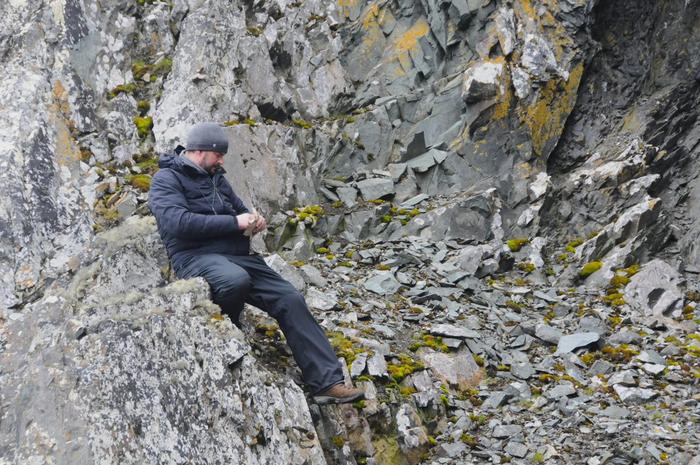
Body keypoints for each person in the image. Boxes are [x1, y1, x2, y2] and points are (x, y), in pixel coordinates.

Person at [148, 122, 364, 404]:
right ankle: (228, 331)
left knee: (290, 297)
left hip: (237, 256)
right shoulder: (166, 179)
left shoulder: (217, 178)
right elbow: (177, 223)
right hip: (194, 257)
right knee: (234, 279)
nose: (222, 160)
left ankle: (326, 383)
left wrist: (253, 221)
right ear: (201, 152)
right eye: (219, 154)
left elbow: (240, 211)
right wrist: (234, 223)